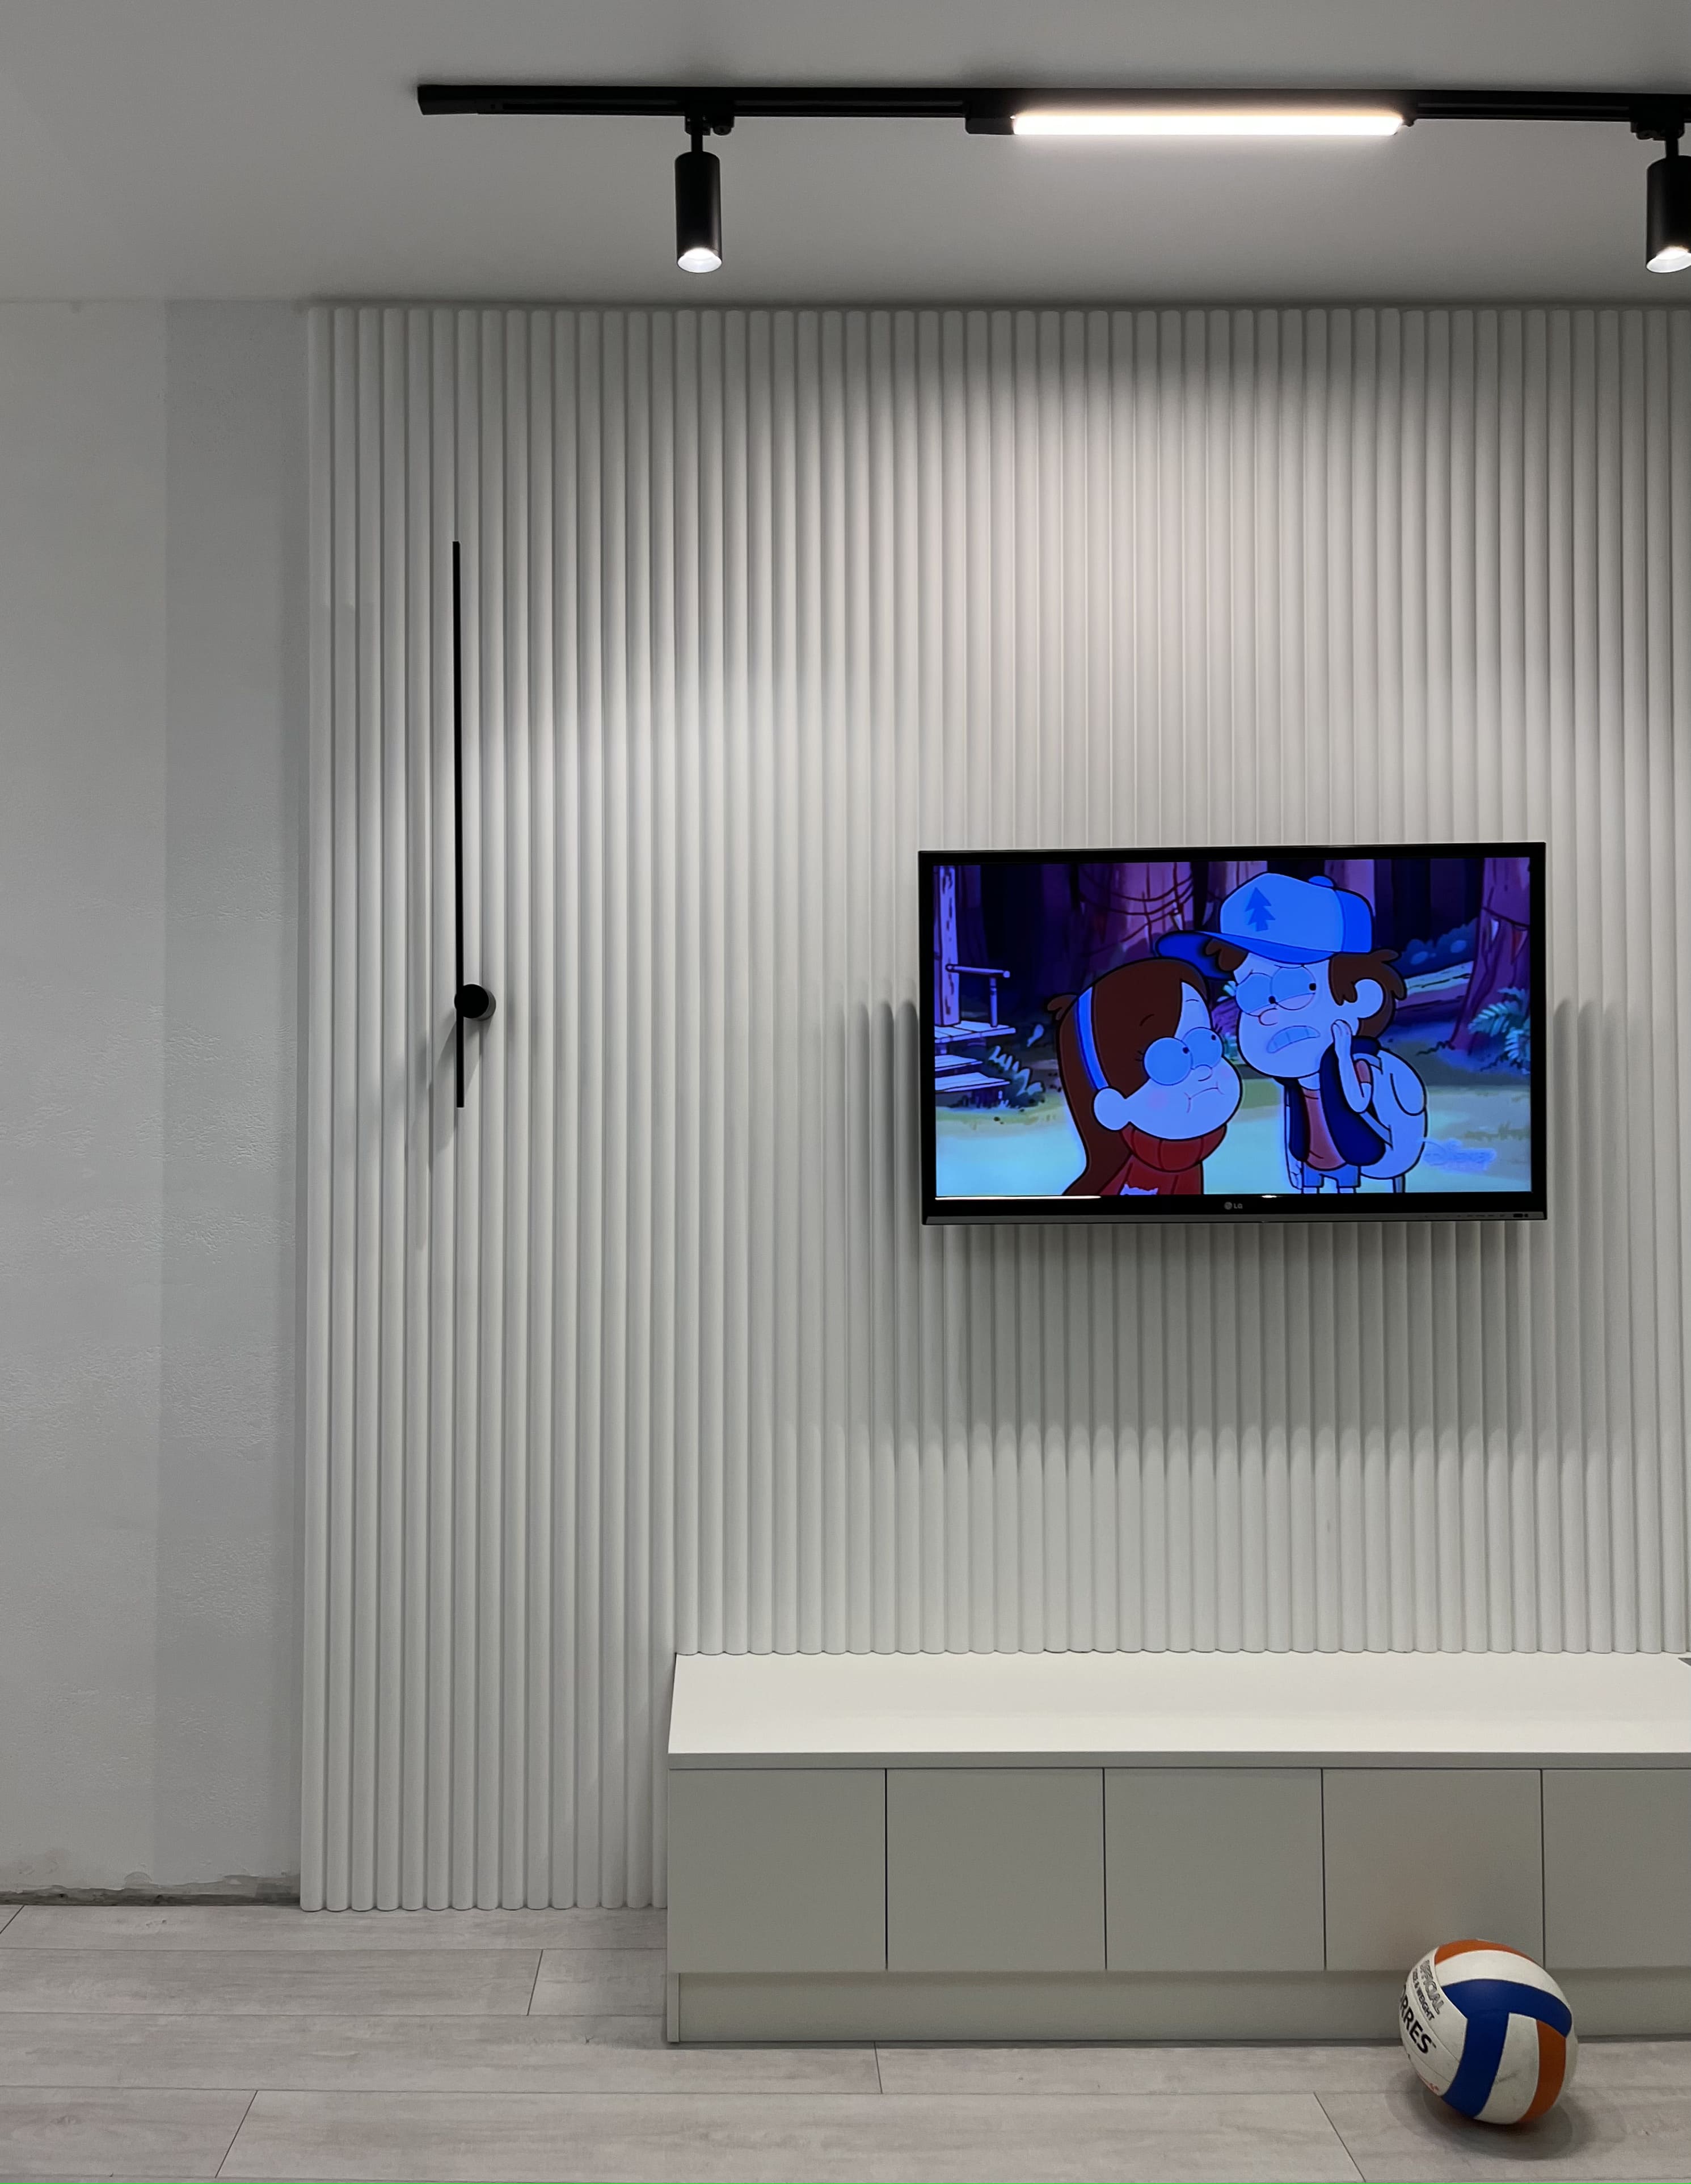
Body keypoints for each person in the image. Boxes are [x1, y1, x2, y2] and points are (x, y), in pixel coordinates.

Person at [1158, 873, 1422, 1194]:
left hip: (1351, 1156)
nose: (1268, 1014)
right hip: (1310, 1159)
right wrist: (1294, 1167)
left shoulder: (1361, 1066)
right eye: (1253, 994)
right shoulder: (1293, 1083)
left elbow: (1358, 1103)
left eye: (1292, 987)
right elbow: (1292, 1122)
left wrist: (1342, 1053)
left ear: (1363, 996)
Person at [1048, 957, 1241, 1197]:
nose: (1202, 1072)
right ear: (1111, 1106)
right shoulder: (1127, 1178)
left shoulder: (1188, 1147)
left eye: (1205, 1043)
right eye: (1168, 1062)